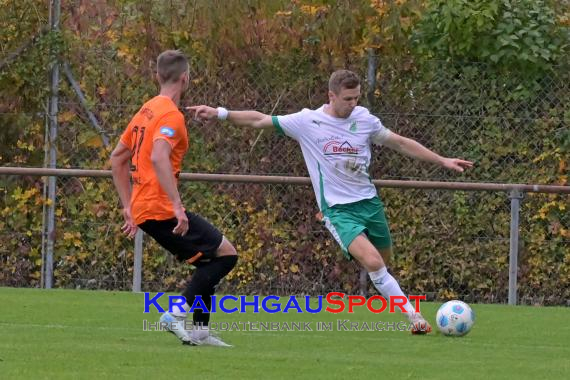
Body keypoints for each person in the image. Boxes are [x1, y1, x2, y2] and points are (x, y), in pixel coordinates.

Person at [189, 69, 473, 333]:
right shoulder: (307, 121)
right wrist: (220, 113)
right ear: (331, 96)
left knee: (382, 264)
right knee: (374, 262)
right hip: (338, 210)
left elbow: (399, 142)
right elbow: (259, 119)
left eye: (356, 98)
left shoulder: (364, 120)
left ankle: (387, 288)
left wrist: (442, 160)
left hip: (369, 204)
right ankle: (414, 317)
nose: (352, 103)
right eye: (347, 99)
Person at [110, 50, 237, 346]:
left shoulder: (147, 110)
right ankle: (175, 315)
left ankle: (200, 332)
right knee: (227, 255)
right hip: (161, 208)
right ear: (185, 78)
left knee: (208, 261)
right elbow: (158, 156)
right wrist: (177, 207)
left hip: (146, 208)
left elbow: (117, 158)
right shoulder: (170, 115)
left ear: (157, 76)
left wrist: (128, 206)